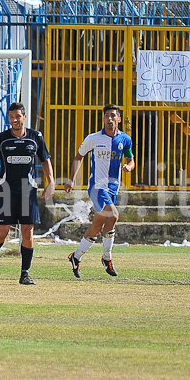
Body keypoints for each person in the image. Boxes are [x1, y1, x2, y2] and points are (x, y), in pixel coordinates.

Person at [0, 102, 55, 286]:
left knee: (27, 232)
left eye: (17, 116)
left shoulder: (35, 137)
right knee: (2, 232)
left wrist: (51, 182)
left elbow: (45, 160)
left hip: (27, 190)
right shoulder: (2, 139)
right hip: (6, 190)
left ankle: (25, 273)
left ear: (24, 117)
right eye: (11, 117)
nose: (14, 120)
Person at [66, 104, 134, 278]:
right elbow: (78, 157)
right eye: (106, 116)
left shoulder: (125, 139)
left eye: (113, 115)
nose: (109, 118)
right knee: (114, 215)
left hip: (113, 188)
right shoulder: (93, 138)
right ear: (103, 118)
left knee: (99, 225)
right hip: (97, 187)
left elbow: (131, 159)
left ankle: (76, 256)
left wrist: (129, 166)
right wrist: (71, 180)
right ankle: (107, 258)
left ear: (118, 119)